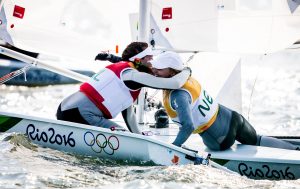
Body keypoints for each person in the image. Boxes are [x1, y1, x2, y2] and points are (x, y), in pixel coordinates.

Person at [151, 51, 300, 151]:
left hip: (219, 138)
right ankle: (295, 149)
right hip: (234, 118)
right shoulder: (186, 75)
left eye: (159, 69)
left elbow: (188, 126)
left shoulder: (178, 94)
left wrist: (173, 148)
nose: (155, 72)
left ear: (171, 71)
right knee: (256, 140)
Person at [56, 42, 191, 134]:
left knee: (127, 135)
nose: (153, 60)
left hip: (65, 108)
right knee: (123, 136)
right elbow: (174, 84)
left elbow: (129, 116)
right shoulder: (131, 75)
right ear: (139, 60)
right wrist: (186, 70)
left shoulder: (125, 72)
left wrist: (139, 138)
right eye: (149, 57)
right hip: (80, 114)